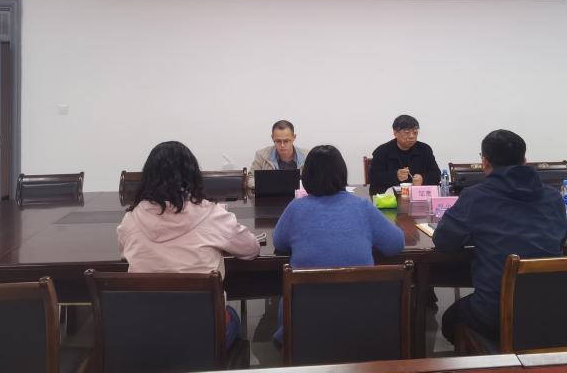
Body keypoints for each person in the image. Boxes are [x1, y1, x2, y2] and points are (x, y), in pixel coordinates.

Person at [118, 141, 261, 348]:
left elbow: (124, 252)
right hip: (203, 330)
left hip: (147, 330)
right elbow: (251, 249)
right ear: (192, 174)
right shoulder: (211, 214)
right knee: (232, 315)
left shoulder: (131, 219)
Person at [434, 129, 566, 347]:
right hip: (550, 308)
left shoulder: (476, 196)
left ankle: (491, 356)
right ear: (524, 160)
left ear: (485, 162)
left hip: (496, 313)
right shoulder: (553, 197)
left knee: (450, 320)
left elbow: (444, 241)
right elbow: (560, 241)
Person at [272, 145, 405, 344]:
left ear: (306, 175)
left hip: (304, 325)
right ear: (342, 173)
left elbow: (279, 242)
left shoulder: (296, 208)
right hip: (365, 320)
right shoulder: (362, 206)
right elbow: (396, 244)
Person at [368, 114, 441, 195]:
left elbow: (436, 174)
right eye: (407, 132)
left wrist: (423, 178)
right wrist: (395, 176)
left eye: (415, 133)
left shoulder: (425, 149)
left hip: (417, 196)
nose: (412, 136)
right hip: (390, 198)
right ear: (395, 133)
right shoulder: (381, 151)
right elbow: (373, 178)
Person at [248, 120, 308, 187]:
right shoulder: (261, 155)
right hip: (270, 193)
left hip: (299, 193)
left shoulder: (307, 156)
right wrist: (271, 184)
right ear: (272, 138)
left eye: (286, 141)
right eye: (278, 141)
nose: (282, 145)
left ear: (294, 137)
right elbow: (250, 179)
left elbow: (314, 180)